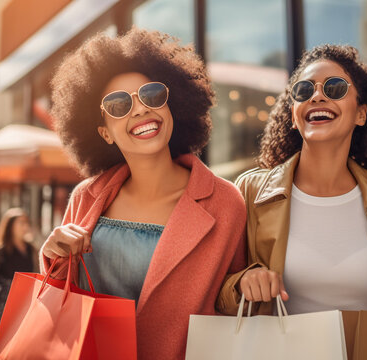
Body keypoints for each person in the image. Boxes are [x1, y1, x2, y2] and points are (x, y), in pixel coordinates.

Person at [40, 27, 246, 360]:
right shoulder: (86, 197)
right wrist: (54, 256)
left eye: (150, 95)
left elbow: (236, 298)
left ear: (171, 106)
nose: (139, 110)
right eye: (118, 105)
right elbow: (63, 296)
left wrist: (251, 281)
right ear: (104, 132)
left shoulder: (225, 202)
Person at [217, 44, 367, 316]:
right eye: (304, 90)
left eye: (334, 88)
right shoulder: (249, 192)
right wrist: (241, 284)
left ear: (361, 113)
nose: (317, 96)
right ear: (294, 116)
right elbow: (215, 283)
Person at [0, 208, 38, 329]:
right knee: (2, 339)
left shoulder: (31, 248)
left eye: (26, 222)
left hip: (25, 299)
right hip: (3, 300)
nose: (25, 226)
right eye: (21, 222)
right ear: (10, 226)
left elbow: (37, 271)